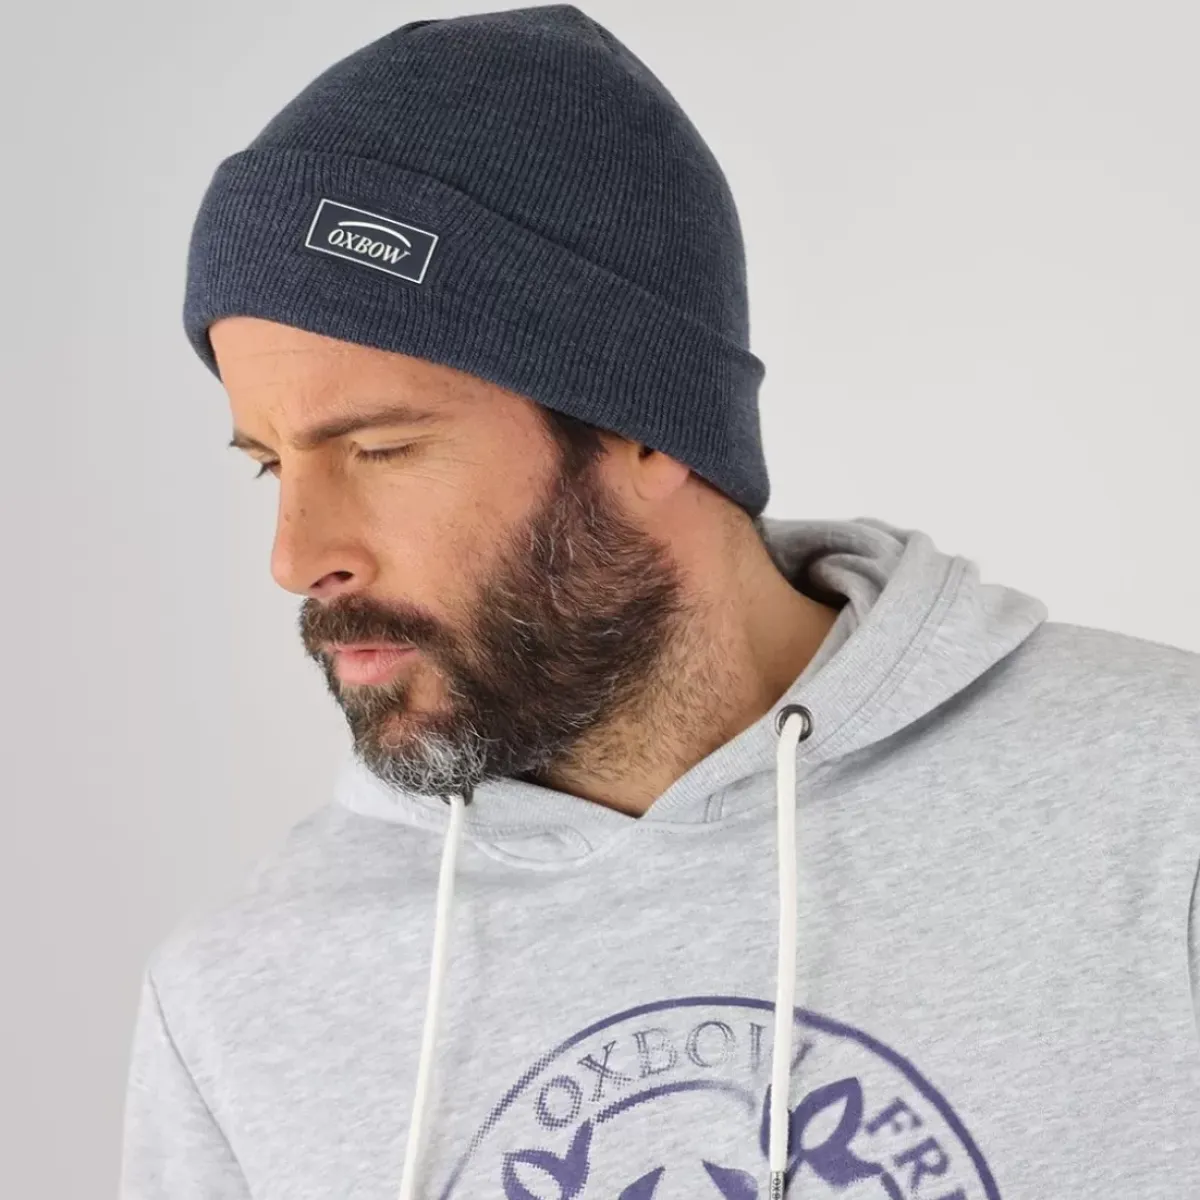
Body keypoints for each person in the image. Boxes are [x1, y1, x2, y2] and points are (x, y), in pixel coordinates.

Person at [120, 5, 1200, 1198]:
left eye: (379, 449)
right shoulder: (237, 1002)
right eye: (270, 465)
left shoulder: (1164, 809)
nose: (297, 557)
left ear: (644, 424)